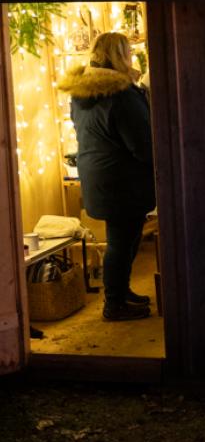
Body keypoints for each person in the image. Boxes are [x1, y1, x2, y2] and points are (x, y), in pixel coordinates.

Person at [58, 32, 155, 321]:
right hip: (123, 179)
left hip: (98, 174)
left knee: (122, 239)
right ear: (121, 56)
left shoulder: (81, 93)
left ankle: (121, 292)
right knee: (122, 242)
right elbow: (141, 144)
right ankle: (114, 303)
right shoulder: (121, 95)